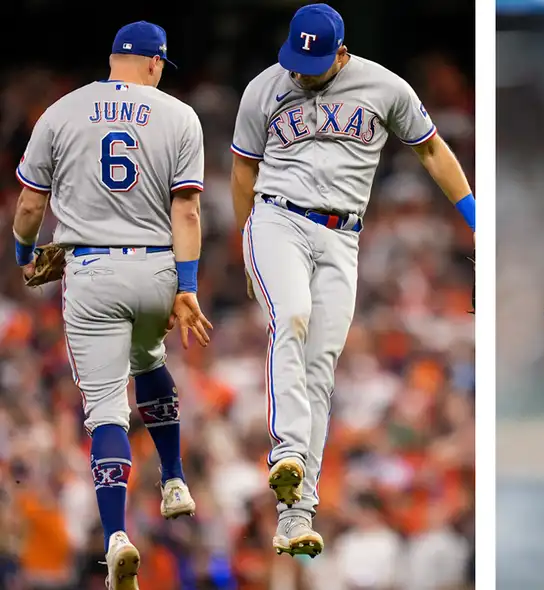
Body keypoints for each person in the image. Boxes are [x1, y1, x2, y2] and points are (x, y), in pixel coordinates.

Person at [230, 3, 476, 558]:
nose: (300, 70)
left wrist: (475, 218)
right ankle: (286, 452)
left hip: (343, 233)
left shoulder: (385, 87)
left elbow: (432, 150)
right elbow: (243, 167)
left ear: (341, 53)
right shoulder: (264, 89)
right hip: (278, 217)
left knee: (321, 367)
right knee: (291, 315)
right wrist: (247, 243)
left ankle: (297, 513)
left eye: (312, 61)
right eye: (294, 58)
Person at [12, 20, 212, 590]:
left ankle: (115, 537)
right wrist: (187, 285)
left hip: (92, 270)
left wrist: (25, 253)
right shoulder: (178, 115)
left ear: (112, 59)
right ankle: (173, 478)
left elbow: (29, 204)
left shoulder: (62, 110)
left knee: (104, 410)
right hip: (155, 266)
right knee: (148, 357)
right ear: (155, 62)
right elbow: (189, 213)